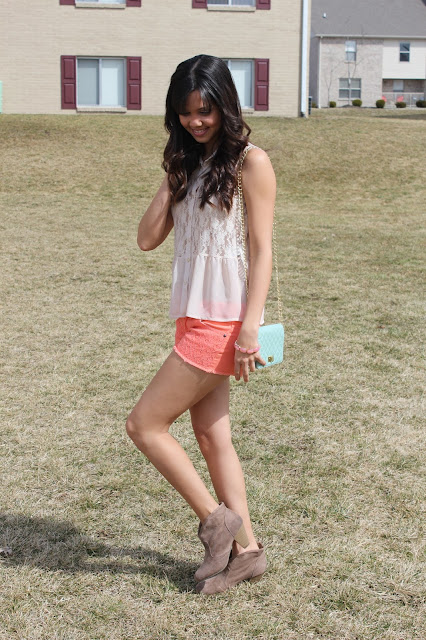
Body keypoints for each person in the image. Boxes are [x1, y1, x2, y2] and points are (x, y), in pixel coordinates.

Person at [126, 54, 276, 595]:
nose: (196, 121)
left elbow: (261, 250)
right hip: (192, 316)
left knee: (144, 425)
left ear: (224, 105)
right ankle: (248, 553)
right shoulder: (188, 164)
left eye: (205, 111)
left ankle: (216, 523)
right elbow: (147, 239)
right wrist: (173, 175)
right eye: (186, 112)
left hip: (223, 322)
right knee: (213, 438)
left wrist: (250, 328)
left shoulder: (251, 162)